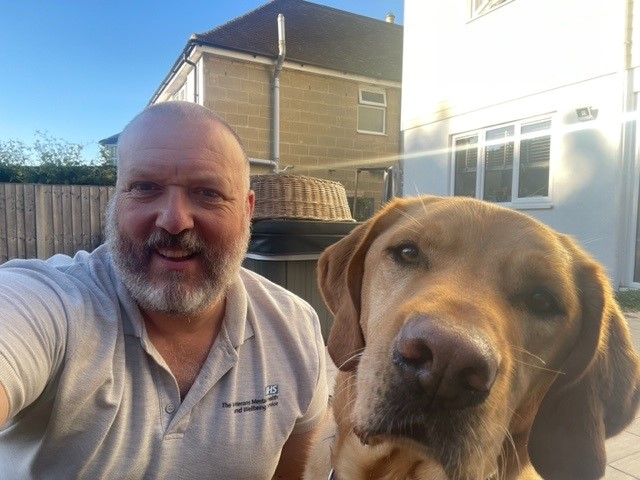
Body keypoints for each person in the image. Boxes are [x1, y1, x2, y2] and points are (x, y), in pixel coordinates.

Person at [0, 101, 328, 479]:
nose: (174, 220)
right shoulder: (51, 304)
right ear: (117, 201)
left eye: (207, 193)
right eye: (145, 188)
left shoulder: (295, 328)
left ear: (247, 211)